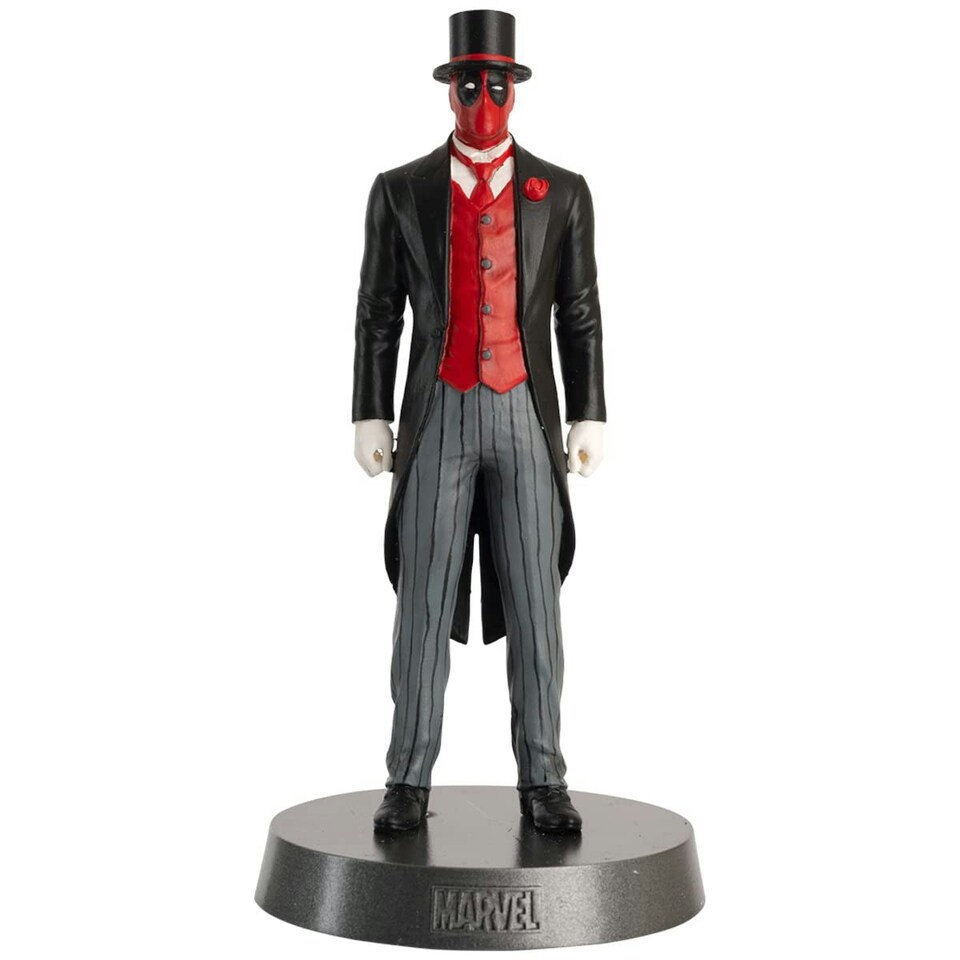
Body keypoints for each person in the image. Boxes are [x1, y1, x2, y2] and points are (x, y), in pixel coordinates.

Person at [352, 10, 605, 832]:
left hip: (526, 416)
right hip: (438, 414)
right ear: (450, 90)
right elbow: (378, 310)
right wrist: (370, 410)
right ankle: (407, 779)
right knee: (422, 603)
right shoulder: (401, 190)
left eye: (497, 84)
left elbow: (578, 312)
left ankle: (544, 779)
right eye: (470, 84)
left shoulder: (562, 191)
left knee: (536, 601)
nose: (483, 100)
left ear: (515, 90)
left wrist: (589, 412)